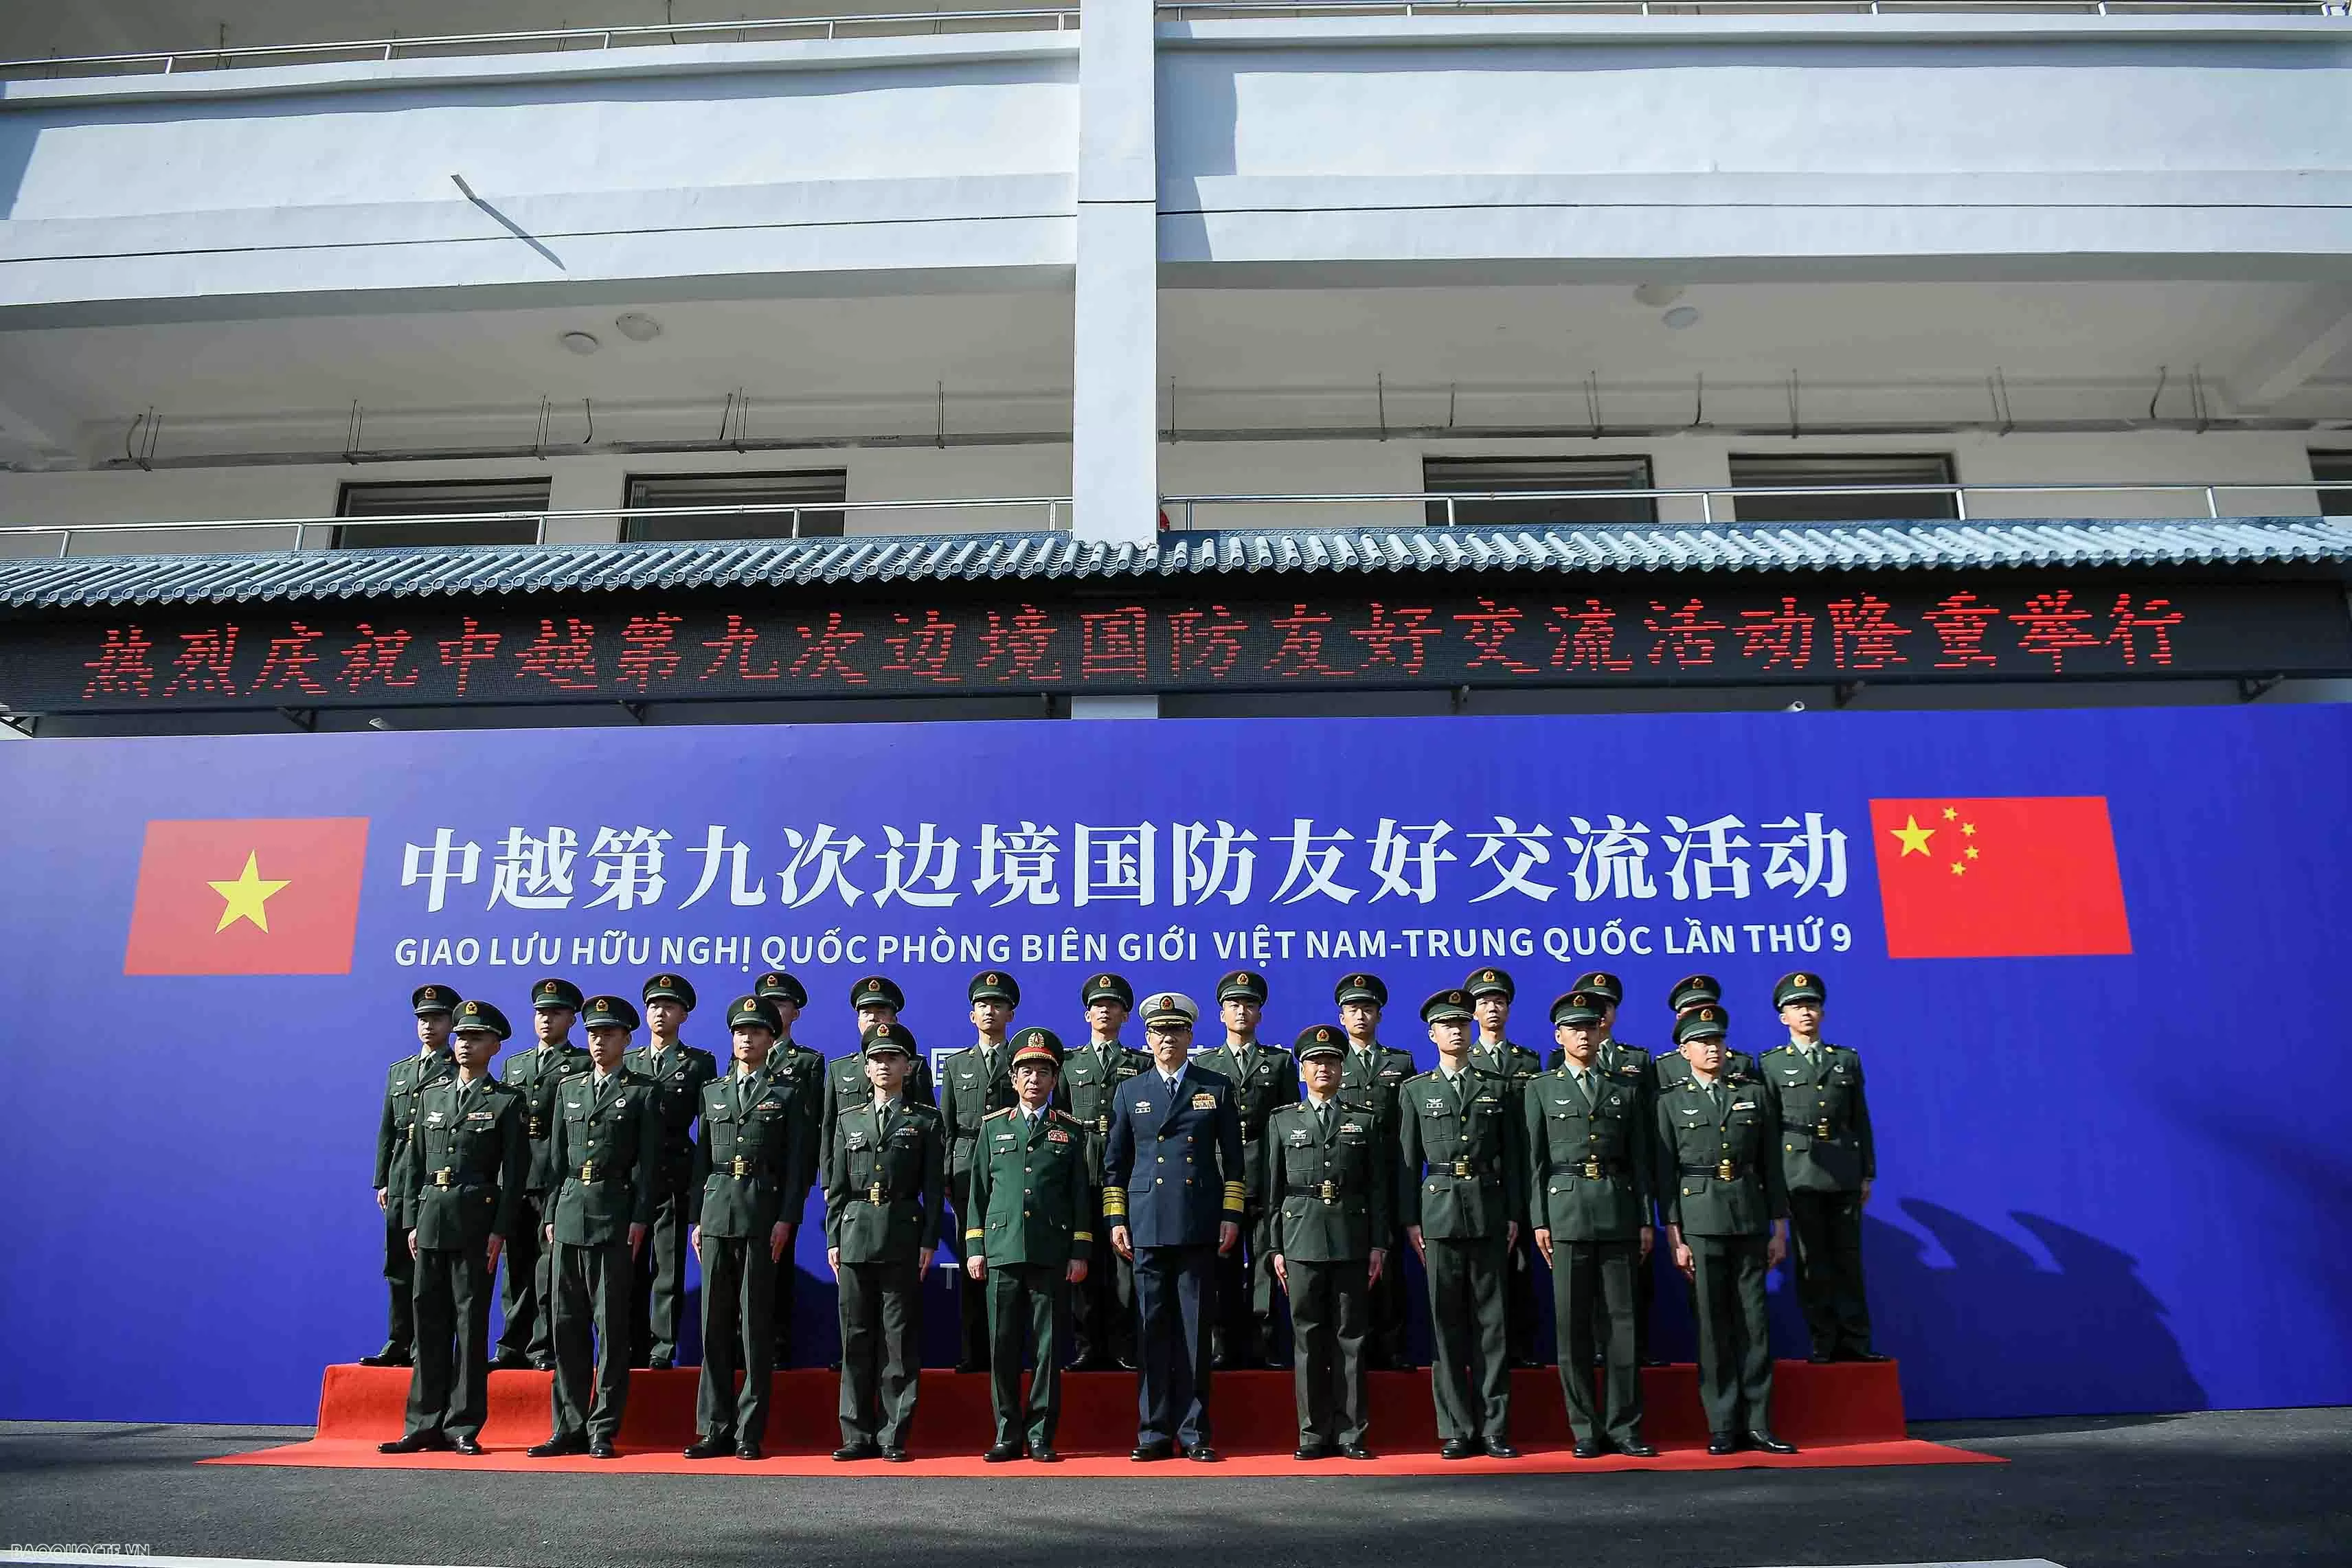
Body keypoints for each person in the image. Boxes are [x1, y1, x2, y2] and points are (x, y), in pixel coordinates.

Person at [380, 1000, 527, 1455]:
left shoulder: (505, 1101)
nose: (465, 1044)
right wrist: (410, 1220)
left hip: (475, 1221)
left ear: (496, 1046)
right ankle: (423, 1421)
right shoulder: (431, 1096)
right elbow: (413, 1166)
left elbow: (515, 1176)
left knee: (470, 1321)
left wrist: (499, 1230)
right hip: (429, 1218)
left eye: (476, 1037)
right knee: (428, 1320)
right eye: (461, 1036)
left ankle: (462, 1422)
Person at [1102, 990, 1244, 1463]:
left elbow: (1235, 1164)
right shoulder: (1131, 1090)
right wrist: (1117, 1218)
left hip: (1198, 1222)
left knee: (1194, 1330)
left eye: (1177, 1030)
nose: (1168, 1038)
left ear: (1190, 1035)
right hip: (1145, 1224)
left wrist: (1230, 1215)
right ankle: (1154, 1431)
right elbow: (1115, 1165)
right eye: (1160, 1031)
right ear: (1148, 1037)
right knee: (1151, 1332)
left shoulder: (1216, 1086)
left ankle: (1196, 1431)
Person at [1655, 1003, 1795, 1455]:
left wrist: (1778, 1228)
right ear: (1684, 1049)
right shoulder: (1671, 1101)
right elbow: (1666, 1176)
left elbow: (1772, 1166)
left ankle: (1759, 1422)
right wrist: (1674, 1235)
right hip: (1700, 1222)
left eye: (1718, 1040)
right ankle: (1722, 1423)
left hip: (1749, 1217)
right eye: (1703, 1042)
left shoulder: (1752, 1094)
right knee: (1713, 1327)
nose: (1713, 1048)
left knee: (1755, 1323)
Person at [1528, 990, 1657, 1459]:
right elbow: (1535, 1162)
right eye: (1574, 1028)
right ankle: (1584, 1426)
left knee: (1622, 1325)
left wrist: (1646, 1219)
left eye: (1591, 1026)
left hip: (1618, 1210)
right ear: (1558, 1035)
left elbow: (1640, 1160)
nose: (1584, 1034)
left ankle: (1625, 1425)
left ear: (1603, 1031)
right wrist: (1540, 1219)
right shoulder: (1540, 1087)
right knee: (1572, 1325)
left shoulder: (1624, 1087)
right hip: (1565, 1214)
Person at [683, 995, 811, 1462]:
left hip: (761, 1213)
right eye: (740, 1032)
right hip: (718, 1212)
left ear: (770, 1039)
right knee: (714, 1326)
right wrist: (698, 1216)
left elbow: (797, 1165)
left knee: (755, 1325)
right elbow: (701, 1161)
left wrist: (787, 1217)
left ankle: (749, 1430)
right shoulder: (713, 1091)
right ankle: (713, 1427)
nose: (747, 1039)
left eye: (756, 1032)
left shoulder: (787, 1093)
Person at [532, 995, 660, 1459]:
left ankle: (602, 1425)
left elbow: (648, 1166)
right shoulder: (569, 1088)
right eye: (593, 1033)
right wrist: (549, 1213)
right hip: (568, 1212)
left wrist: (640, 1219)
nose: (599, 1040)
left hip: (613, 1213)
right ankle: (567, 1423)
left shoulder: (643, 1091)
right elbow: (553, 1162)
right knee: (565, 1325)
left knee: (611, 1327)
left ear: (627, 1038)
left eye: (608, 1033)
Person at [1397, 987, 1522, 1460]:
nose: (1456, 1030)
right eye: (1447, 1024)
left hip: (1488, 1208)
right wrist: (1411, 1221)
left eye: (1463, 1023)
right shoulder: (1415, 1089)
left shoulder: (1496, 1086)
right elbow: (1408, 1164)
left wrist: (1512, 1213)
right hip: (1439, 1212)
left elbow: (1512, 1156)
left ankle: (1495, 1426)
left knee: (1492, 1323)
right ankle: (1455, 1425)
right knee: (1446, 1324)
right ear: (1432, 1033)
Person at [967, 1026, 1092, 1463]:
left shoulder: (1071, 1132)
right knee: (1002, 1347)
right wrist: (975, 1247)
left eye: (1043, 1072)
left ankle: (1040, 1434)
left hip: (1050, 1250)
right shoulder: (993, 1129)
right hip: (1002, 1250)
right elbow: (978, 1192)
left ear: (1055, 1080)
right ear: (1014, 1079)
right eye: (1026, 1071)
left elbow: (1081, 1196)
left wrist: (1079, 1251)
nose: (1034, 1079)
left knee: (1046, 1348)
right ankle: (1007, 1432)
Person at [1266, 1025, 1388, 1462]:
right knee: (1308, 1338)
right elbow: (1274, 1192)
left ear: (1343, 1068)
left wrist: (1379, 1244)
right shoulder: (1282, 1121)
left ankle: (1353, 1433)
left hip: (1352, 1238)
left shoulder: (1363, 1120)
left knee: (1351, 1337)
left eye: (1332, 1061)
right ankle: (1313, 1433)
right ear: (1302, 1071)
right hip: (1300, 1239)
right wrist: (1274, 1248)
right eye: (1316, 1062)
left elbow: (1377, 1189)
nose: (1324, 1068)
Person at [826, 1021, 947, 1463]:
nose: (883, 1066)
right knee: (855, 1337)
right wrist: (833, 1237)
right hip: (855, 1232)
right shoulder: (847, 1120)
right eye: (875, 1059)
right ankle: (856, 1433)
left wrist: (929, 1240)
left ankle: (894, 1433)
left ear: (909, 1066)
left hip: (902, 1233)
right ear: (865, 1066)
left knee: (898, 1340)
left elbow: (933, 1189)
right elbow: (837, 1187)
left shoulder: (925, 1121)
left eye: (891, 1058)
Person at [1759, 970, 1884, 1365]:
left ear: (1822, 1013)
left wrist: (1867, 1172)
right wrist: (1776, 1183)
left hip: (1844, 1169)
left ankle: (1856, 1342)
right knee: (1813, 1262)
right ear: (1783, 1018)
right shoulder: (1772, 1064)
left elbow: (1860, 1118)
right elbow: (1770, 1128)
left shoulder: (1845, 1059)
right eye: (1797, 1007)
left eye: (1811, 1005)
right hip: (1800, 1171)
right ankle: (1824, 1342)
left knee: (1848, 1259)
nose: (1805, 1012)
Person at [1551, 968, 1664, 1367]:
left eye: (1603, 1010)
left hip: (1618, 1194)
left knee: (1627, 1298)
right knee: (1576, 1305)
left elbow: (1646, 1135)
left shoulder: (1635, 1063)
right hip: (1572, 1202)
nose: (1588, 1029)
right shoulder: (1551, 1071)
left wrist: (1646, 1210)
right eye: (1578, 1024)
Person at [1194, 968, 1298, 1369]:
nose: (1242, 1011)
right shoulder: (1206, 1064)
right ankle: (1222, 1341)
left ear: (1259, 1014)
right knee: (1219, 1261)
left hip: (1265, 1170)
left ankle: (1265, 1341)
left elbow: (1290, 1121)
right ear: (1221, 1014)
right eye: (1234, 1004)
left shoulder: (1280, 1061)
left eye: (1249, 1004)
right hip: (1219, 1173)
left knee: (1265, 1259)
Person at [622, 973, 717, 1372]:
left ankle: (662, 1347)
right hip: (630, 1178)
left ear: (684, 1014)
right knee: (627, 1267)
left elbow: (710, 1125)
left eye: (669, 1007)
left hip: (675, 1171)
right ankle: (629, 1344)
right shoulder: (628, 1062)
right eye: (654, 1006)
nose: (660, 1013)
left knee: (667, 1266)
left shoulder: (698, 1063)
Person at [495, 977, 590, 1372]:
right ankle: (510, 1345)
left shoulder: (582, 1064)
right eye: (540, 1012)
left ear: (571, 1018)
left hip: (556, 1176)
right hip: (517, 1175)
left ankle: (543, 1344)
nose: (546, 1019)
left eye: (555, 1012)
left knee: (550, 1267)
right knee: (514, 1266)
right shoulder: (515, 1064)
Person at [363, 983, 457, 1368]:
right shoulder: (400, 1071)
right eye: (422, 1019)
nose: (428, 1026)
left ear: (451, 1022)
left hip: (435, 1171)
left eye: (436, 1018)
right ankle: (399, 1340)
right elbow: (387, 1128)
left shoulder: (457, 1068)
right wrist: (382, 1179)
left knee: (430, 1265)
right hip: (402, 1171)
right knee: (398, 1263)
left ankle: (427, 1345)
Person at [1063, 972, 1148, 1370]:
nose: (1104, 1011)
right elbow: (1058, 1120)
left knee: (1123, 1261)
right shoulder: (1067, 1063)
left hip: (1126, 1173)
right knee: (1082, 1259)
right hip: (1080, 1171)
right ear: (1086, 1014)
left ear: (1125, 1015)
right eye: (1098, 1005)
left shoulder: (1140, 1063)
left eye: (1112, 1005)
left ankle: (1124, 1344)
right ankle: (1086, 1345)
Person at [942, 970, 1024, 1374]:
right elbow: (948, 1125)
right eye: (982, 1006)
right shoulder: (958, 1065)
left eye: (997, 1005)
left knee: (1010, 1263)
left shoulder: (1023, 1061)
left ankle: (1007, 1352)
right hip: (965, 1166)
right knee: (971, 1257)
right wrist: (944, 1173)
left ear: (1011, 1013)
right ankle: (973, 1351)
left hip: (1010, 1169)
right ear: (972, 1015)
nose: (989, 1011)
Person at [1334, 971, 1417, 1371]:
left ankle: (1393, 1345)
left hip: (1388, 1175)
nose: (1361, 1016)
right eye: (1353, 1009)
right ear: (1341, 1017)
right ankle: (1355, 1349)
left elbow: (1408, 1127)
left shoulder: (1400, 1063)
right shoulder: (1331, 1062)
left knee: (1391, 1262)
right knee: (1350, 1266)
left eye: (1368, 1008)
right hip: (1348, 1177)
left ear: (1379, 1015)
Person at [1463, 966, 1544, 1369]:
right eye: (1483, 1002)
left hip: (1524, 1170)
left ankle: (1522, 1346)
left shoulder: (1528, 1060)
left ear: (1509, 1009)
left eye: (1498, 1001)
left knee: (1522, 1263)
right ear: (1472, 1013)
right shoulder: (1465, 1060)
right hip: (1481, 1176)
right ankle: (1486, 1351)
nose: (1491, 1008)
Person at [756, 970, 827, 1370]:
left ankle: (777, 1344)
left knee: (779, 1262)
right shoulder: (741, 1059)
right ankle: (741, 1344)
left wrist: (802, 1182)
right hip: (742, 1177)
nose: (772, 1010)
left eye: (781, 1003)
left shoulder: (807, 1063)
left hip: (783, 1176)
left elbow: (813, 1124)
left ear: (795, 1013)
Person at [819, 976, 935, 1183]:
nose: (873, 1019)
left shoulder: (914, 1066)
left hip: (899, 1173)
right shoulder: (839, 1068)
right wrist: (828, 1180)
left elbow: (927, 1124)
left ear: (894, 1020)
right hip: (853, 1174)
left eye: (881, 1012)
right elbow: (829, 1128)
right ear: (858, 1021)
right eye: (866, 1013)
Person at [1653, 975, 1758, 1090]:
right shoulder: (1666, 1065)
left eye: (1706, 1007)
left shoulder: (1742, 1062)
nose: (1700, 1012)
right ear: (1679, 1017)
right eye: (1691, 1010)